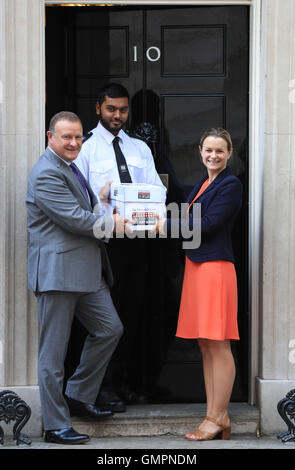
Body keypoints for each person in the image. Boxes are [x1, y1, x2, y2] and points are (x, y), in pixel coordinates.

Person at [26, 111, 130, 445]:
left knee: (109, 328)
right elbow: (72, 218)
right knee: (52, 355)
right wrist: (111, 224)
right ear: (50, 136)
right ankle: (56, 426)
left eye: (78, 136)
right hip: (57, 273)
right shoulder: (45, 172)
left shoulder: (69, 167)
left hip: (86, 271)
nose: (74, 143)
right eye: (67, 137)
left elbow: (81, 209)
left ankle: (78, 393)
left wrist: (100, 202)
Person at [75, 83, 166, 410]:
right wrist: (104, 212)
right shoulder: (85, 148)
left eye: (123, 110)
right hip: (103, 245)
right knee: (105, 319)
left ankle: (122, 381)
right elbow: (80, 199)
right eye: (111, 109)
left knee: (131, 312)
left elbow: (157, 189)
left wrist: (155, 215)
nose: (118, 115)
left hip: (138, 245)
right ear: (98, 108)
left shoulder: (139, 148)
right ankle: (98, 387)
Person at [158, 127, 242, 441]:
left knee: (218, 343)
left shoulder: (230, 185)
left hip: (216, 269)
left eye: (220, 151)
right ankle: (215, 414)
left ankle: (217, 416)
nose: (213, 155)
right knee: (206, 343)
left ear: (229, 153)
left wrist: (165, 224)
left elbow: (208, 225)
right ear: (200, 150)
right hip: (197, 267)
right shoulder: (203, 183)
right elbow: (186, 215)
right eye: (208, 150)